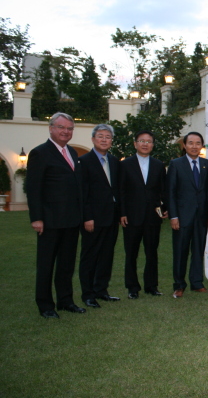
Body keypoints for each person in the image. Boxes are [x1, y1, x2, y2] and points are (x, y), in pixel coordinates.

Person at [26, 112, 85, 318]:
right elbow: (33, 188)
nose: (66, 132)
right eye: (61, 127)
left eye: (69, 128)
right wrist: (36, 218)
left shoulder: (73, 153)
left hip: (71, 220)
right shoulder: (40, 153)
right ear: (51, 128)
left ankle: (65, 301)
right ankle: (45, 305)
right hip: (49, 220)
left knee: (67, 264)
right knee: (46, 264)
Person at [120, 130, 168, 299]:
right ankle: (132, 287)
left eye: (149, 141)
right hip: (132, 217)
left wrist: (166, 208)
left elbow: (164, 190)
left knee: (151, 253)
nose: (145, 144)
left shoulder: (158, 165)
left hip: (152, 217)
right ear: (135, 144)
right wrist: (123, 212)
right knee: (131, 253)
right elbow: (122, 192)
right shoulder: (125, 164)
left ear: (153, 145)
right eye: (142, 141)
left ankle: (151, 286)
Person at [79, 124, 121, 309]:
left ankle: (101, 290)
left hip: (111, 218)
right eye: (100, 136)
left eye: (108, 137)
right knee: (90, 256)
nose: (104, 140)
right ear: (93, 139)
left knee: (106, 255)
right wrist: (87, 217)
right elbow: (82, 192)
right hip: (92, 219)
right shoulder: (84, 161)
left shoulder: (114, 161)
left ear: (112, 141)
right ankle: (88, 294)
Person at [167, 132, 208, 298]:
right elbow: (170, 192)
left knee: (198, 250)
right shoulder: (175, 164)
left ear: (202, 146)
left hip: (201, 217)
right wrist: (173, 216)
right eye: (191, 143)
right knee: (180, 252)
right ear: (185, 145)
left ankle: (197, 283)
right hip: (181, 217)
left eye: (198, 143)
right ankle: (179, 285)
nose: (194, 146)